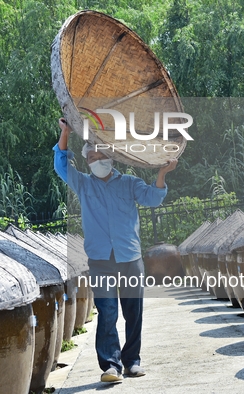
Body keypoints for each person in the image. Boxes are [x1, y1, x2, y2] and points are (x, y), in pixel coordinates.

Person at [53, 117, 178, 383]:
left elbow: (153, 199)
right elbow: (61, 165)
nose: (96, 160)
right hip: (100, 260)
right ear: (86, 162)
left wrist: (162, 174)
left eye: (100, 155)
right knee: (107, 311)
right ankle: (111, 365)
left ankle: (132, 361)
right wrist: (65, 132)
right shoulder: (85, 185)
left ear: (111, 157)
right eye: (91, 158)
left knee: (133, 310)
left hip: (130, 257)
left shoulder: (129, 184)